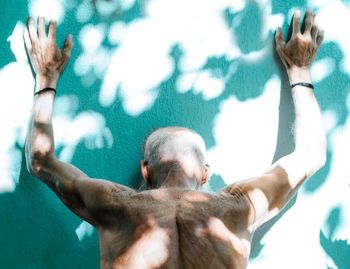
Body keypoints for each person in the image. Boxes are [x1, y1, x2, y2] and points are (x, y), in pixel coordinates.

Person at [24, 10, 326, 269]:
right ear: (206, 173)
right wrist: (299, 69)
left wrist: (46, 78)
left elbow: (40, 161)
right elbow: (311, 155)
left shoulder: (116, 206)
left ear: (145, 170)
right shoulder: (238, 208)